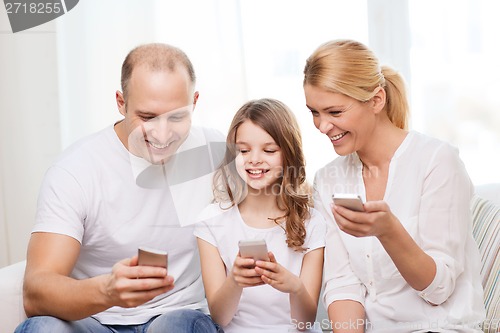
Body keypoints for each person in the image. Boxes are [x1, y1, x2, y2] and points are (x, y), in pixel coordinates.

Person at [15, 43, 224, 333]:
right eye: (147, 117)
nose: (162, 134)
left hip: (177, 317)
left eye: (177, 116)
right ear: (121, 102)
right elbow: (36, 291)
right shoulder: (76, 170)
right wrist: (107, 291)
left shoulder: (215, 152)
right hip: (94, 321)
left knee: (181, 326)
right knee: (41, 328)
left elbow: (281, 198)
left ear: (195, 102)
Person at [303, 39, 486, 332]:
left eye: (335, 112)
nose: (322, 126)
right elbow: (343, 286)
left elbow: (439, 289)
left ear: (377, 100)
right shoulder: (327, 180)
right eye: (314, 112)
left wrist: (388, 231)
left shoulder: (437, 162)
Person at [194, 98, 327, 333]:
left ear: (288, 155)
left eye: (269, 150)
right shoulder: (211, 220)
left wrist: (294, 287)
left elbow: (305, 322)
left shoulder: (312, 222)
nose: (254, 159)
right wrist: (235, 280)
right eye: (244, 150)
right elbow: (220, 318)